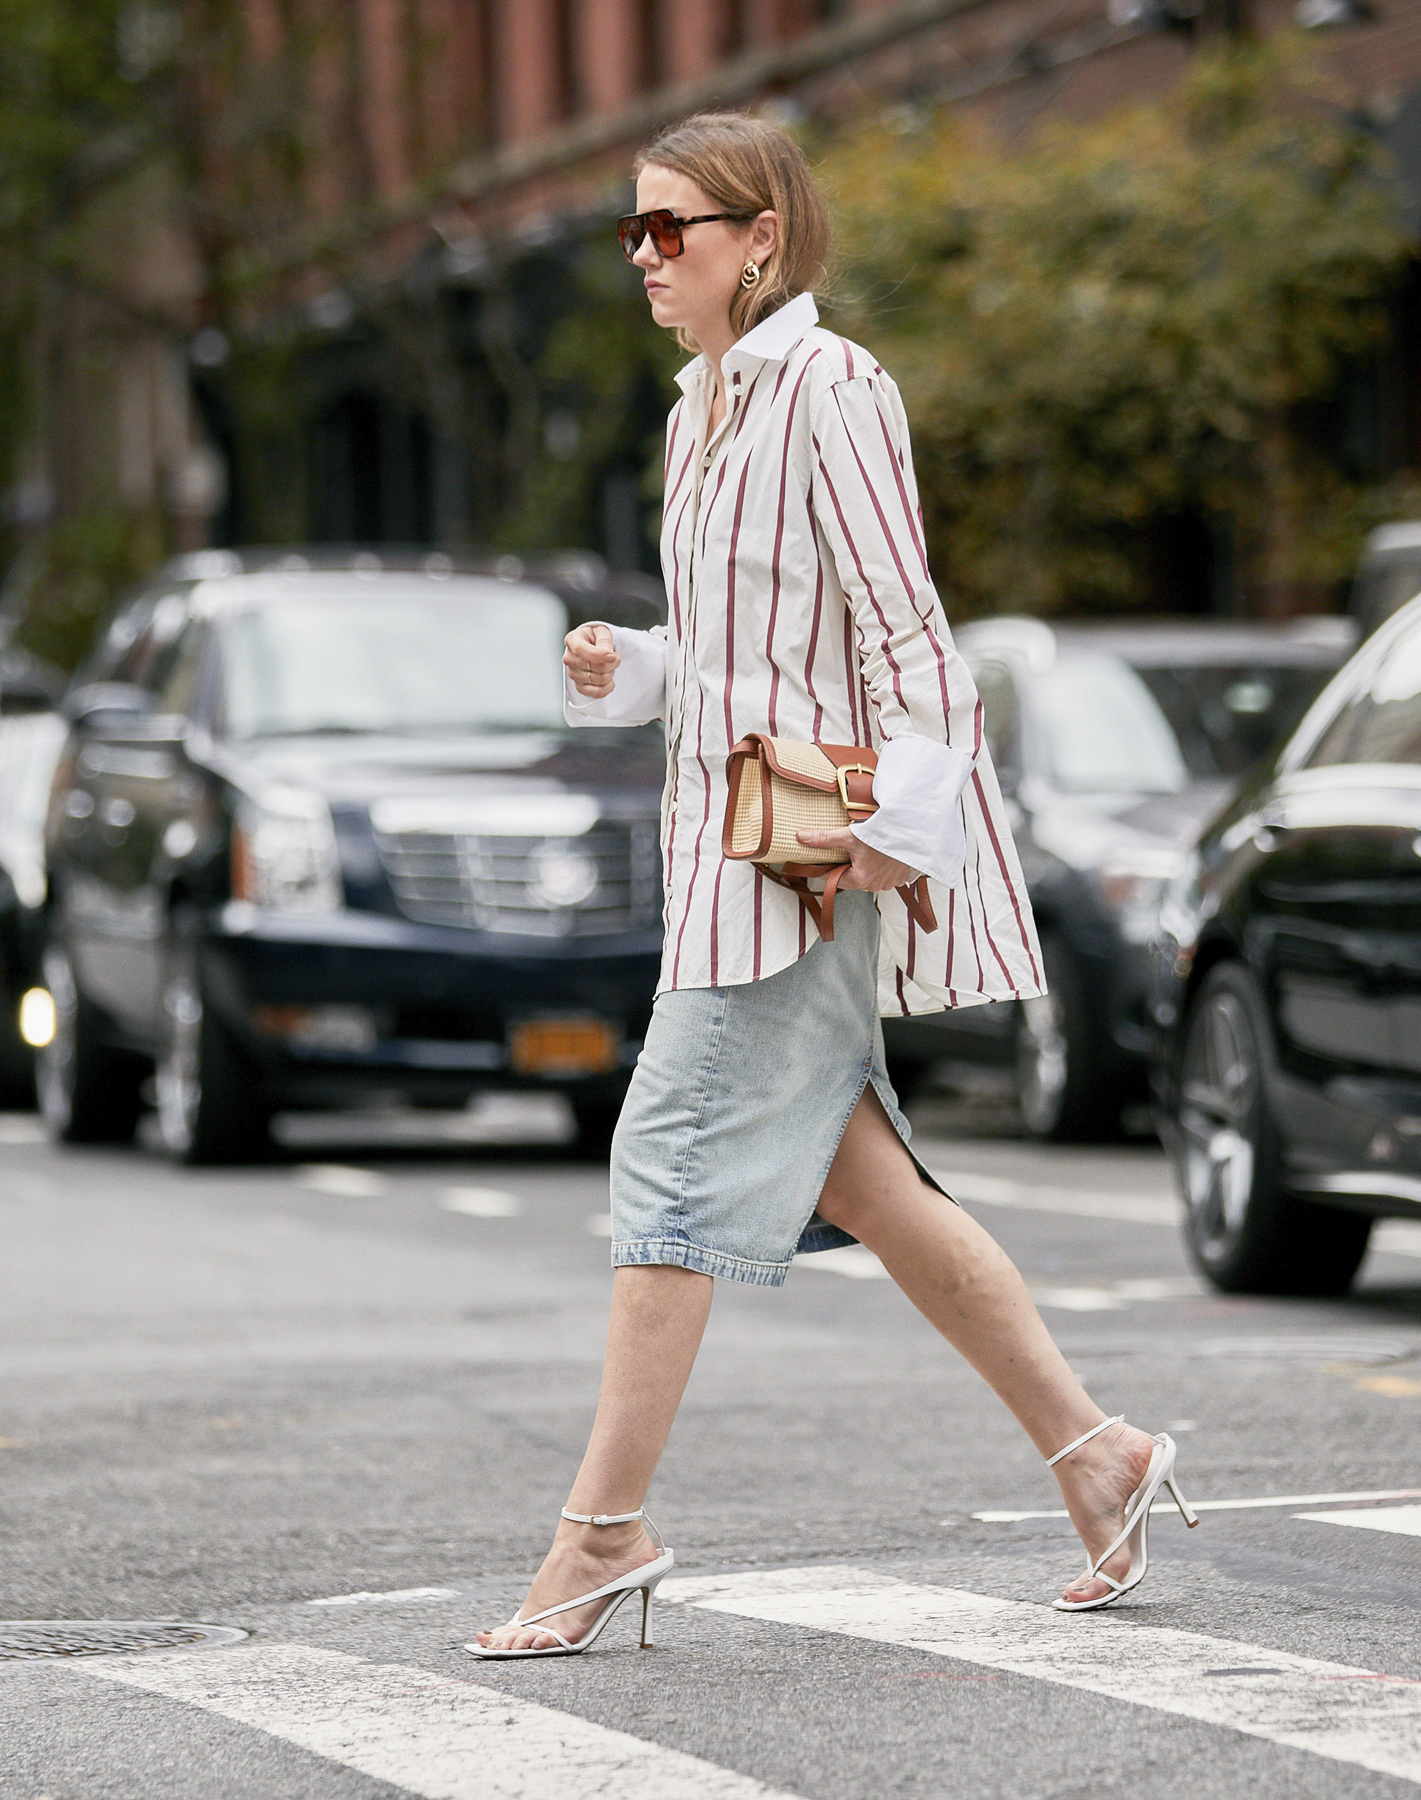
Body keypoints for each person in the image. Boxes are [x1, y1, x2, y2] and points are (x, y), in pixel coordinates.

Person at [468, 112, 1194, 1659]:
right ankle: (1101, 1455)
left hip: (798, 872)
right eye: (635, 232)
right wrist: (638, 666)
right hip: (722, 861)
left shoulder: (835, 388)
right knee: (866, 1186)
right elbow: (743, 661)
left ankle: (601, 1531)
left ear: (762, 240)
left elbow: (910, 639)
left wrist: (905, 826)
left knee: (664, 1170)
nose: (647, 258)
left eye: (676, 229)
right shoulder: (701, 410)